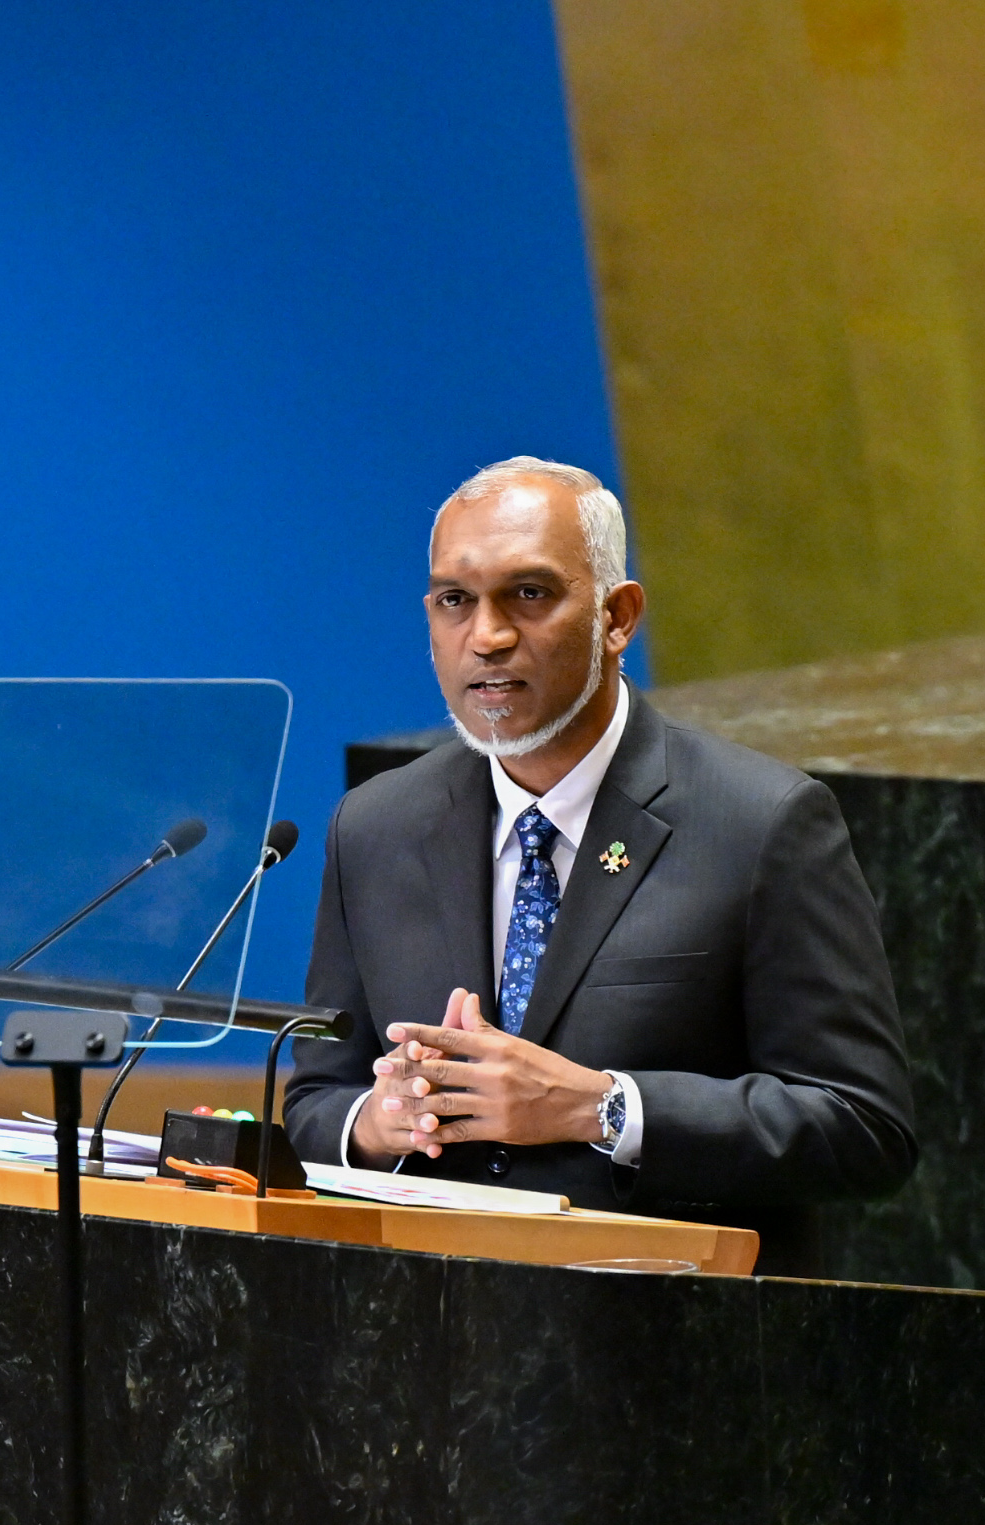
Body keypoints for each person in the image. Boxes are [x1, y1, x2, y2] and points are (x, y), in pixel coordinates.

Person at [284, 456, 913, 1271]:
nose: (488, 636)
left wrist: (605, 1107)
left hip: (668, 1340)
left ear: (618, 617)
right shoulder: (375, 825)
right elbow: (314, 1099)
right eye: (455, 601)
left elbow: (864, 1126)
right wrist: (379, 1119)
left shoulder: (761, 824)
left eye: (531, 594)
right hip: (431, 1338)